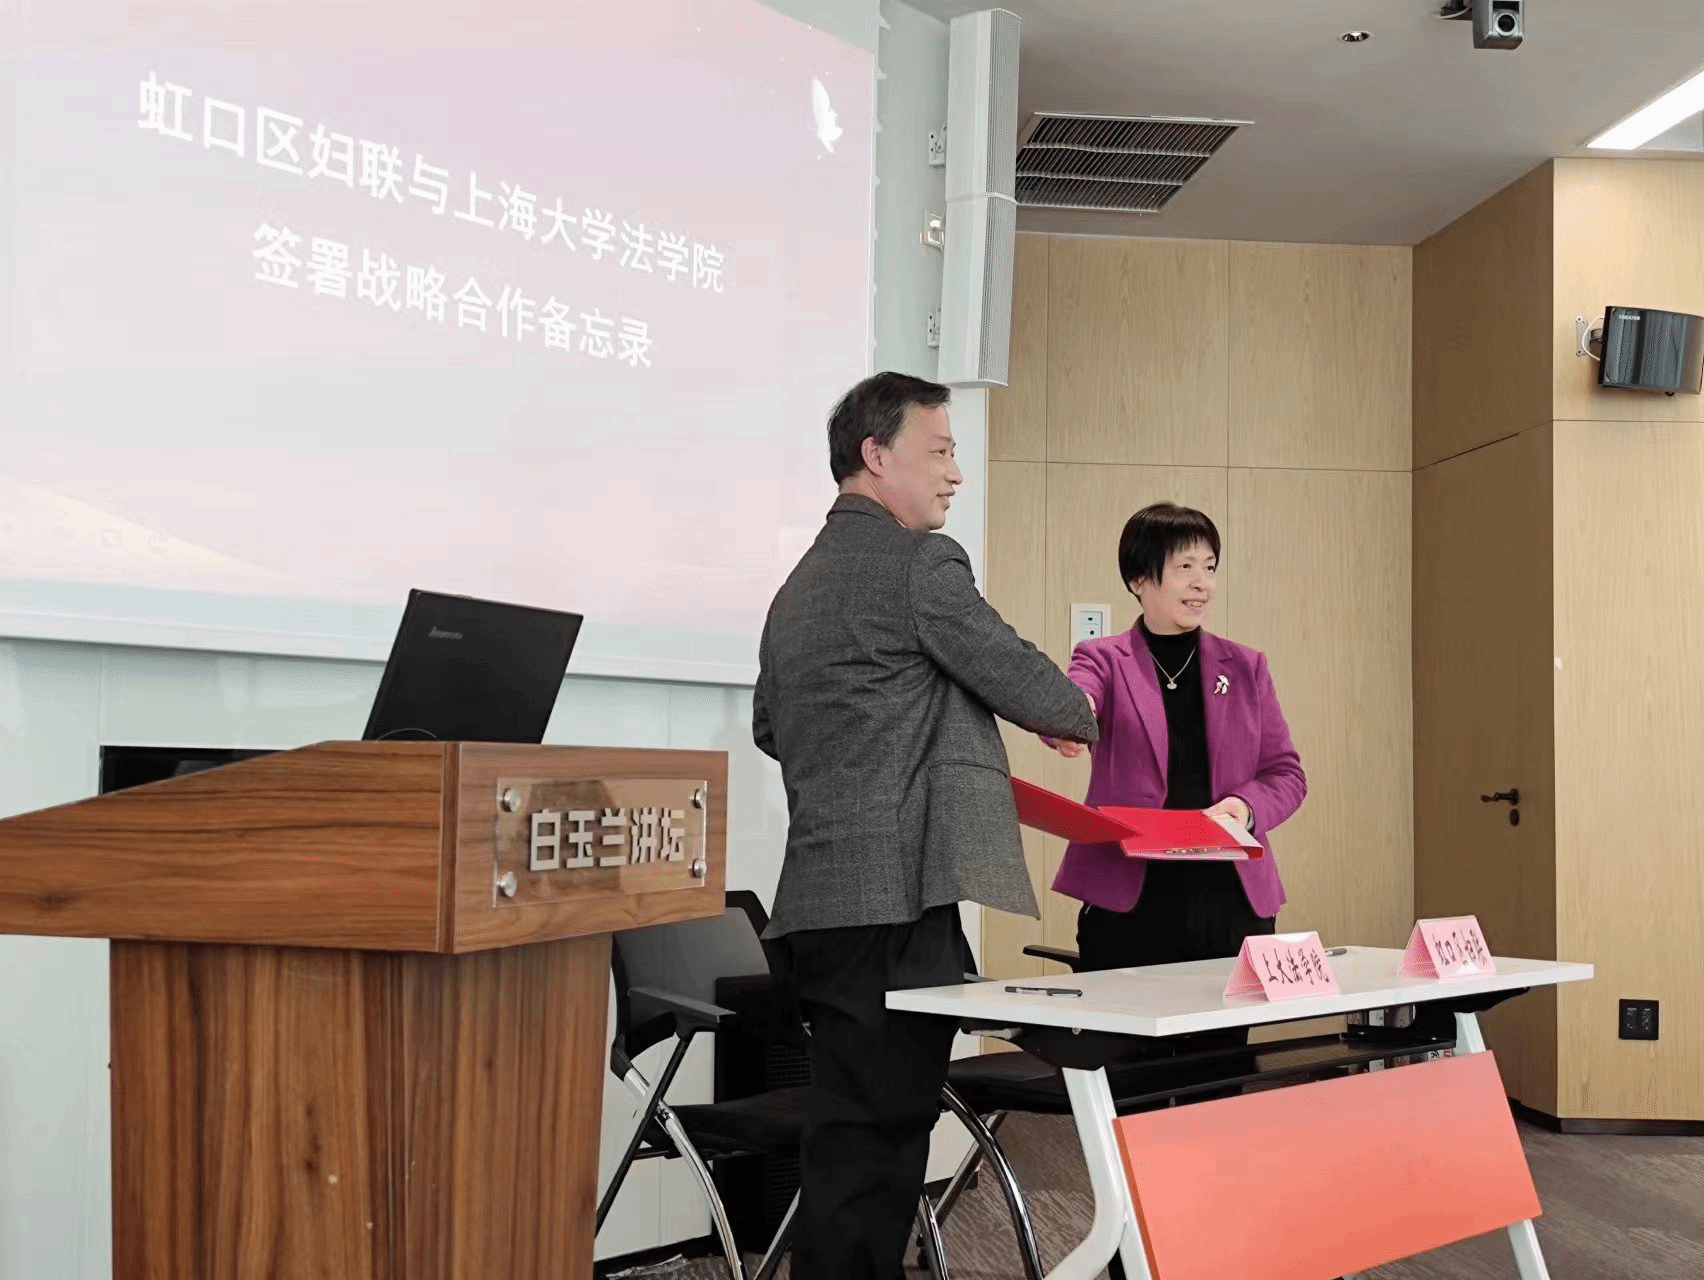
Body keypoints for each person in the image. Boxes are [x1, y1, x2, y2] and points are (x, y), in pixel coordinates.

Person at [753, 371, 1098, 1280]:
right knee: (880, 1150)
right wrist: (1075, 711)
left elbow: (768, 726)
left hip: (820, 907)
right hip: (897, 908)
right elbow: (1022, 677)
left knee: (850, 1143)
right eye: (940, 450)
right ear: (876, 455)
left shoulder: (795, 590)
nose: (956, 473)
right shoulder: (920, 564)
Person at [1044, 501, 1306, 982]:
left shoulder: (1245, 667)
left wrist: (1244, 808)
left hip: (1231, 899)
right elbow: (1075, 698)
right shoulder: (1104, 658)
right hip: (1130, 901)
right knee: (1127, 1031)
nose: (1202, 583)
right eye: (1185, 567)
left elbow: (1286, 774)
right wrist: (1068, 720)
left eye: (1210, 567)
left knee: (1225, 1032)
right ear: (1139, 579)